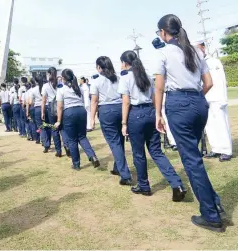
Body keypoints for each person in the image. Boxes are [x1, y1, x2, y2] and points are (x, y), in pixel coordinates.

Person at [154, 14, 225, 232]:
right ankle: (213, 201)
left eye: (159, 32)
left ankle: (211, 215)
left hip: (179, 103)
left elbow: (158, 87)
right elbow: (209, 82)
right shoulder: (195, 50)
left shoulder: (163, 53)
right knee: (193, 157)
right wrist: (195, 98)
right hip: (197, 102)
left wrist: (158, 113)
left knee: (191, 160)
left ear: (164, 33)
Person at [118, 50, 187, 201]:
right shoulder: (147, 75)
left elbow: (126, 102)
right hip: (150, 112)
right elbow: (155, 96)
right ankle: (176, 183)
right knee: (156, 151)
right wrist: (158, 115)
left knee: (139, 154)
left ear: (124, 63)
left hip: (135, 115)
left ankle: (144, 186)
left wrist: (123, 123)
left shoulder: (125, 78)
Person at [90, 56, 133, 186]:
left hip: (107, 111)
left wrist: (91, 119)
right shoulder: (118, 78)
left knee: (114, 142)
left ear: (99, 67)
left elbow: (94, 101)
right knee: (119, 141)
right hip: (120, 109)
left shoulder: (97, 81)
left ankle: (125, 175)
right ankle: (117, 167)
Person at [193, 41, 233, 162]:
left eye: (198, 48)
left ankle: (226, 150)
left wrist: (223, 99)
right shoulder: (197, 63)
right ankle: (216, 149)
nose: (196, 51)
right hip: (205, 99)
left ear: (203, 47)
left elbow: (220, 81)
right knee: (209, 126)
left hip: (217, 98)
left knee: (221, 124)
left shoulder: (214, 62)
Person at [55, 69, 100, 170]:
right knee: (82, 137)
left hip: (69, 113)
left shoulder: (61, 89)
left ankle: (76, 164)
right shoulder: (77, 87)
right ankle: (92, 156)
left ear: (63, 78)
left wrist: (58, 120)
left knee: (72, 140)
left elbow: (59, 106)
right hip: (81, 111)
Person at [41, 67, 63, 155]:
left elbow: (43, 100)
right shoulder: (61, 83)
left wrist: (42, 112)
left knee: (54, 129)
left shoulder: (46, 85)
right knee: (63, 129)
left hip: (51, 107)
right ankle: (67, 146)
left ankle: (58, 151)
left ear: (49, 74)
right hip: (61, 105)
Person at [28, 77, 42, 145]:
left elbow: (30, 102)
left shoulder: (31, 90)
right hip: (45, 107)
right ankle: (45, 139)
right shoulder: (44, 87)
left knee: (36, 124)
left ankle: (38, 138)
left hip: (36, 107)